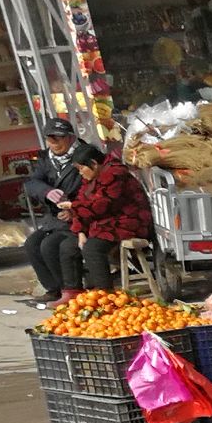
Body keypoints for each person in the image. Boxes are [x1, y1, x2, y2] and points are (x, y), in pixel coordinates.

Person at [21, 118, 99, 307]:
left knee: (50, 245)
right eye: (50, 139)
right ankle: (53, 289)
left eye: (59, 138)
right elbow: (32, 183)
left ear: (70, 137)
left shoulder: (84, 155)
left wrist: (74, 208)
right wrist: (46, 192)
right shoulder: (46, 159)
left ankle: (70, 290)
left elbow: (93, 188)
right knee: (32, 244)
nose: (54, 143)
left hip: (81, 217)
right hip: (56, 217)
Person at [66, 149, 150, 293]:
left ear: (93, 163)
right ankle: (71, 290)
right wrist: (80, 231)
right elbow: (82, 200)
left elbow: (101, 205)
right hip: (105, 220)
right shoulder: (91, 179)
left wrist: (72, 206)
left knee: (92, 248)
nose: (80, 173)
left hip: (128, 221)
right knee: (66, 246)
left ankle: (104, 293)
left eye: (81, 168)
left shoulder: (115, 174)